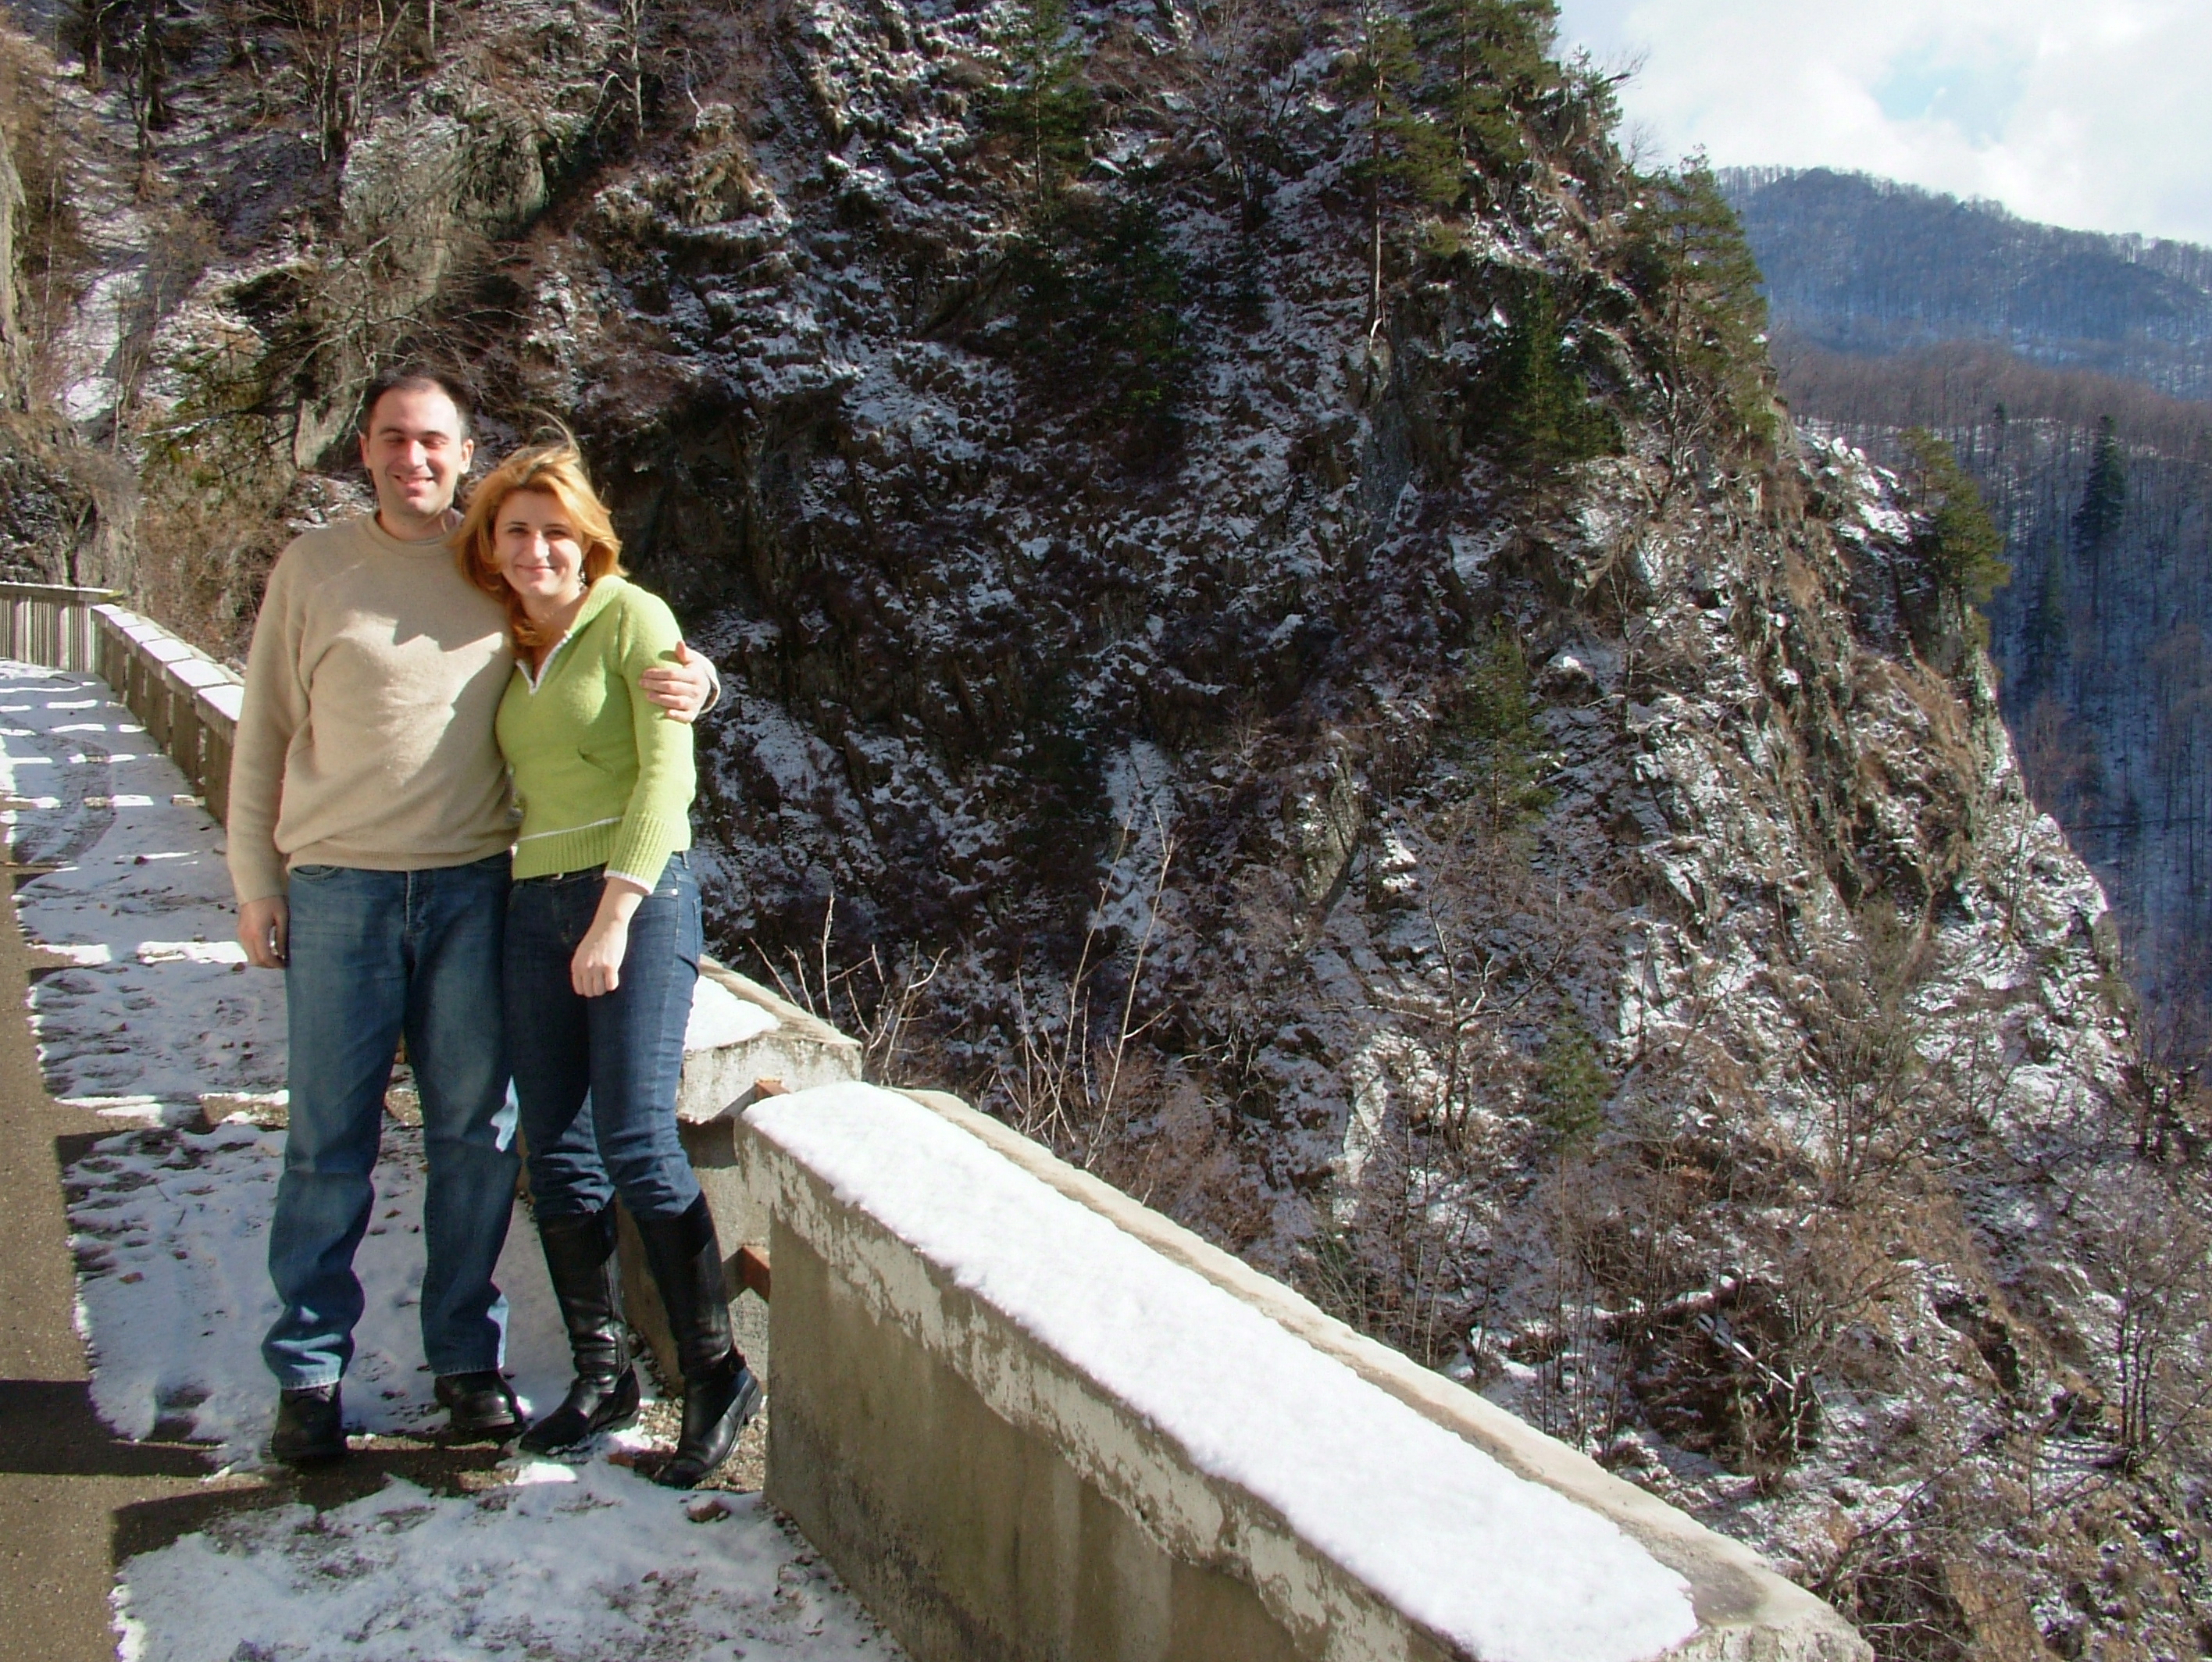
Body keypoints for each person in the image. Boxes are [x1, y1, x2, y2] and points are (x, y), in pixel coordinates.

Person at [228, 367, 717, 1467]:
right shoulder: (316, 569)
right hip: (339, 886)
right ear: (364, 448)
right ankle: (308, 1372)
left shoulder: (491, 567)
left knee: (475, 1138)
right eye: (393, 438)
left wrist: (701, 679)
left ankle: (464, 1361)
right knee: (327, 1141)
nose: (413, 458)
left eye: (434, 441)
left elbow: (605, 622)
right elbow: (262, 732)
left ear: (462, 454)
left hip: (474, 888)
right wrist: (255, 881)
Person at [454, 440, 758, 1488]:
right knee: (557, 1147)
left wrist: (614, 916)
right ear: (492, 546)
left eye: (558, 532)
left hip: (637, 893)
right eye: (517, 531)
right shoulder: (503, 641)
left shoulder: (632, 616)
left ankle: (717, 1374)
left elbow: (668, 777)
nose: (537, 550)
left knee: (634, 1137)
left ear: (589, 541)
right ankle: (603, 1373)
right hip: (528, 900)